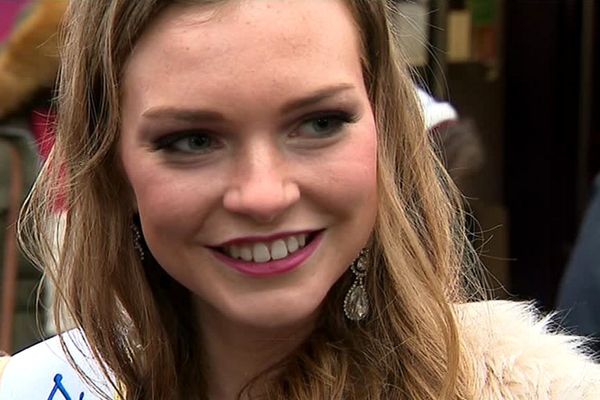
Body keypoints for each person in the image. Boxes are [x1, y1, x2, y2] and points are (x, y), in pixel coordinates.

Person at [1, 1, 599, 399]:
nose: (263, 194)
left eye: (318, 123)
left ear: (384, 131)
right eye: (193, 139)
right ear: (112, 167)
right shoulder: (40, 387)